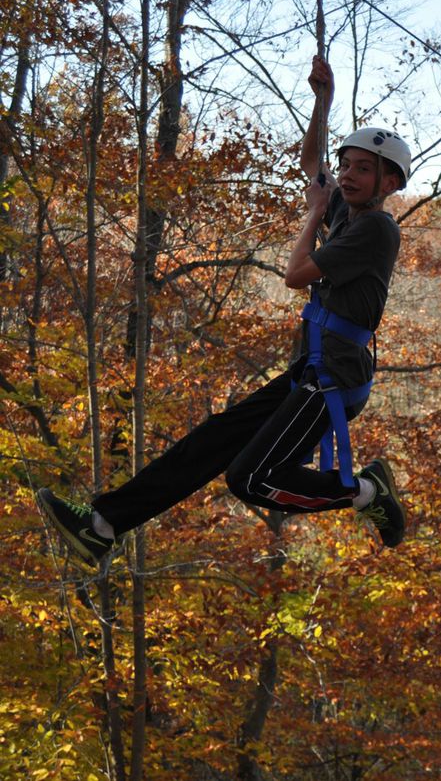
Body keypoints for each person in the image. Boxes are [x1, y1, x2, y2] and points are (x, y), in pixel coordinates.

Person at [36, 56, 408, 567]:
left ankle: (367, 494)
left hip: (336, 381)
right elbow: (310, 163)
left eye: (363, 169)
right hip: (314, 372)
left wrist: (314, 213)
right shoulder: (351, 210)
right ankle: (103, 526)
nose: (346, 175)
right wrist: (322, 102)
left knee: (249, 479)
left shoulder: (375, 228)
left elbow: (296, 273)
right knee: (211, 440)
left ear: (390, 183)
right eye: (346, 166)